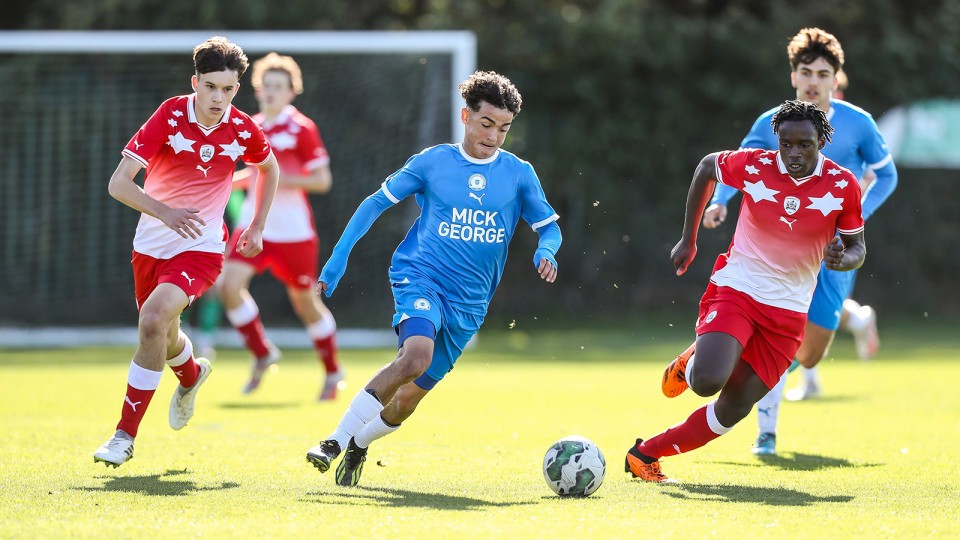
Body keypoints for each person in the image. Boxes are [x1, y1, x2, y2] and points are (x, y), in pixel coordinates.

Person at [304, 70, 561, 487]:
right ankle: (333, 441)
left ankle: (359, 445)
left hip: (470, 304)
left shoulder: (518, 173)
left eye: (504, 128)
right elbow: (373, 204)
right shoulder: (432, 162)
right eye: (486, 124)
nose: (494, 136)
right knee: (416, 355)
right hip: (420, 277)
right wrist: (335, 263)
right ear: (465, 115)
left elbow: (548, 226)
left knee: (408, 399)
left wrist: (546, 248)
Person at [625, 100, 866, 483]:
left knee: (734, 408)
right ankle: (696, 359)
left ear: (822, 141)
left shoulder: (842, 185)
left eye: (804, 144)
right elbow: (707, 167)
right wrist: (689, 239)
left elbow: (857, 246)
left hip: (788, 314)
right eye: (785, 143)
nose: (793, 153)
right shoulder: (756, 165)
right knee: (707, 382)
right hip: (738, 290)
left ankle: (644, 454)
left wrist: (843, 257)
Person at [696, 28, 897, 454]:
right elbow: (737, 167)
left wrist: (853, 226)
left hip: (831, 254)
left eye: (822, 73)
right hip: (777, 252)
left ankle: (843, 325)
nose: (812, 81)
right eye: (805, 72)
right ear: (793, 76)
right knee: (772, 337)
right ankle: (765, 432)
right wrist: (720, 203)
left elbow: (888, 175)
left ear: (835, 79)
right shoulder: (773, 124)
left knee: (808, 355)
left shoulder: (858, 123)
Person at [93, 36, 279, 467]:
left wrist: (257, 225)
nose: (218, 98)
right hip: (151, 247)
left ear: (238, 88)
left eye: (228, 89)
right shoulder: (170, 115)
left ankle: (123, 436)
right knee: (162, 331)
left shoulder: (243, 129)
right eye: (210, 86)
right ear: (195, 82)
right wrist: (165, 212)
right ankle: (192, 374)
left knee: (154, 318)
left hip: (202, 248)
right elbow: (118, 184)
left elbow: (269, 167)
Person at [214, 52, 343, 399]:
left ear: (291, 92)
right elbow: (252, 175)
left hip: (292, 231)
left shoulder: (302, 128)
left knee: (304, 302)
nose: (271, 91)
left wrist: (274, 178)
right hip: (254, 224)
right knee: (227, 286)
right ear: (256, 90)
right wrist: (227, 183)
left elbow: (322, 180)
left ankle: (332, 373)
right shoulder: (247, 125)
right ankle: (262, 353)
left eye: (278, 86)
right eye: (265, 85)